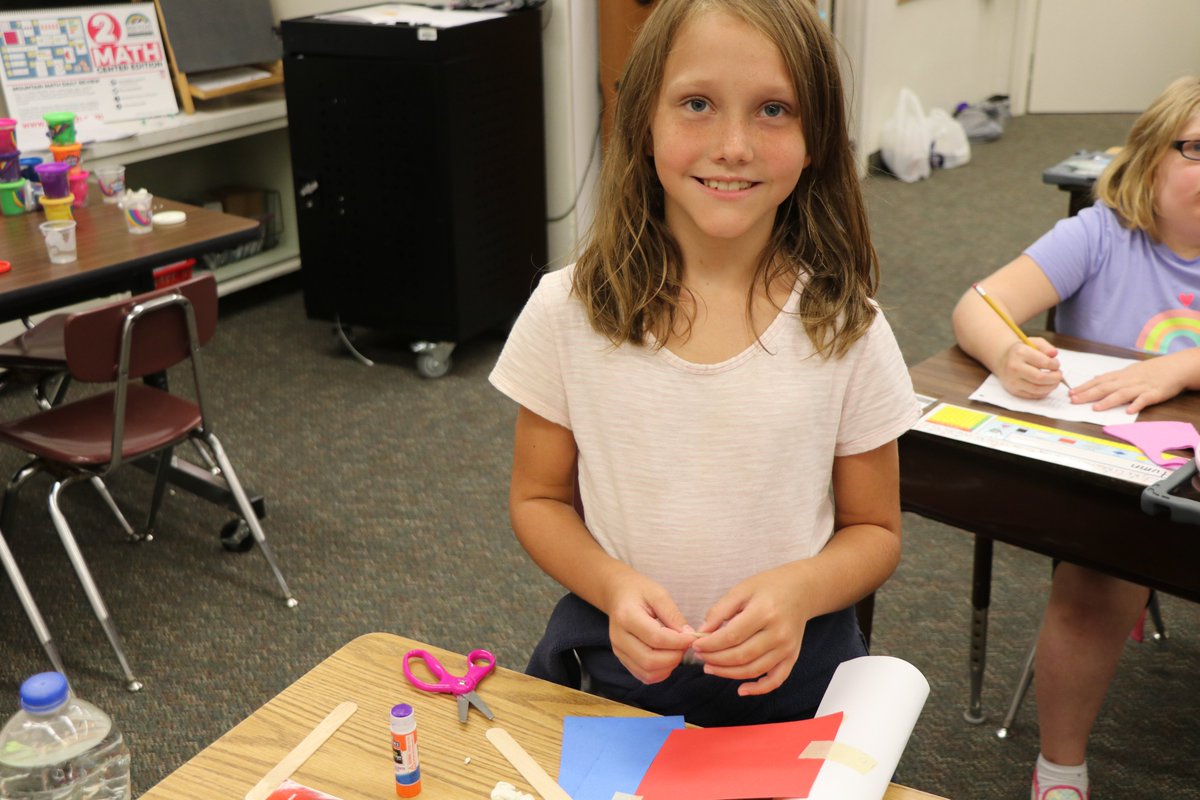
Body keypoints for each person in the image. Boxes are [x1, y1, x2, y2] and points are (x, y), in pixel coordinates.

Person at [489, 0, 920, 727]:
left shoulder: (849, 329)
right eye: (696, 103)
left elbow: (875, 532)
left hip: (796, 679)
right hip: (617, 666)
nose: (733, 145)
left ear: (816, 137)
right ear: (644, 123)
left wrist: (802, 589)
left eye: (774, 110)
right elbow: (538, 501)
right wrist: (613, 583)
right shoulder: (567, 311)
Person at [952, 76, 1200, 800]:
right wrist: (1007, 351)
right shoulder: (1101, 234)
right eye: (1197, 149)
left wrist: (1181, 365)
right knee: (1098, 577)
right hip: (1120, 482)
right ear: (1150, 158)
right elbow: (979, 305)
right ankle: (1060, 767)